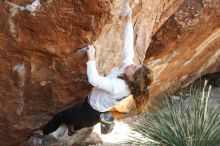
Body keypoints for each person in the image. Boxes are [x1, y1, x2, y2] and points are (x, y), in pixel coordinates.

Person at [41, 1, 153, 137]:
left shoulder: (119, 86)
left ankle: (43, 135)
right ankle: (72, 128)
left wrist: (91, 57)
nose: (132, 65)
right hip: (93, 110)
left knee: (61, 116)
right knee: (75, 122)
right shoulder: (129, 73)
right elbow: (128, 46)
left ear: (132, 78)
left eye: (134, 68)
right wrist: (128, 19)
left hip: (90, 113)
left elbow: (93, 80)